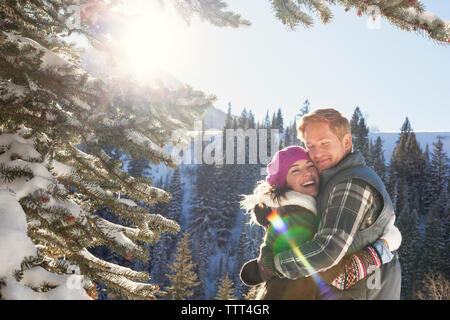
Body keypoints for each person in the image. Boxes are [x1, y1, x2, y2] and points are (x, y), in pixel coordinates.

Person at [262, 108, 402, 299]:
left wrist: (274, 265)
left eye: (324, 143)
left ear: (346, 142)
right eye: (310, 146)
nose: (317, 153)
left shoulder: (350, 183)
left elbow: (328, 250)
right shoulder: (330, 181)